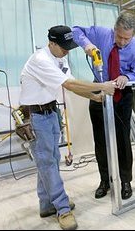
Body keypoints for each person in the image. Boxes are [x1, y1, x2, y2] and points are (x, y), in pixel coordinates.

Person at [19, 25, 116, 230]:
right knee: (47, 162)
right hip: (35, 116)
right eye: (63, 46)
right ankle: (62, 208)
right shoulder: (41, 60)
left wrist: (94, 96)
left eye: (69, 46)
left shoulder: (60, 58)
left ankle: (46, 204)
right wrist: (102, 85)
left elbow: (70, 83)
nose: (67, 50)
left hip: (51, 112)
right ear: (51, 43)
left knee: (50, 160)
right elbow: (70, 85)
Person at [72, 12, 135, 200]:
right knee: (101, 140)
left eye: (126, 38)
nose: (121, 41)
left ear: (133, 35)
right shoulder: (101, 34)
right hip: (99, 89)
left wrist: (127, 77)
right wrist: (87, 44)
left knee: (122, 139)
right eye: (118, 36)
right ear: (114, 29)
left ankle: (125, 181)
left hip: (122, 93)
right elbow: (75, 30)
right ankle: (105, 180)